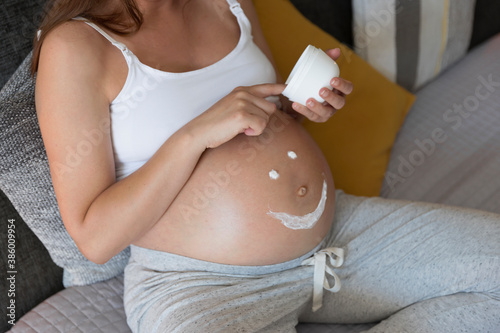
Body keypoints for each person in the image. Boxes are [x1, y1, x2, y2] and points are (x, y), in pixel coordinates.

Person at [33, 0, 499, 332]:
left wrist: (301, 107)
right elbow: (94, 237)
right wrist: (194, 135)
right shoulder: (77, 47)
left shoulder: (229, 3)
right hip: (201, 286)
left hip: (333, 240)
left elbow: (264, 120)